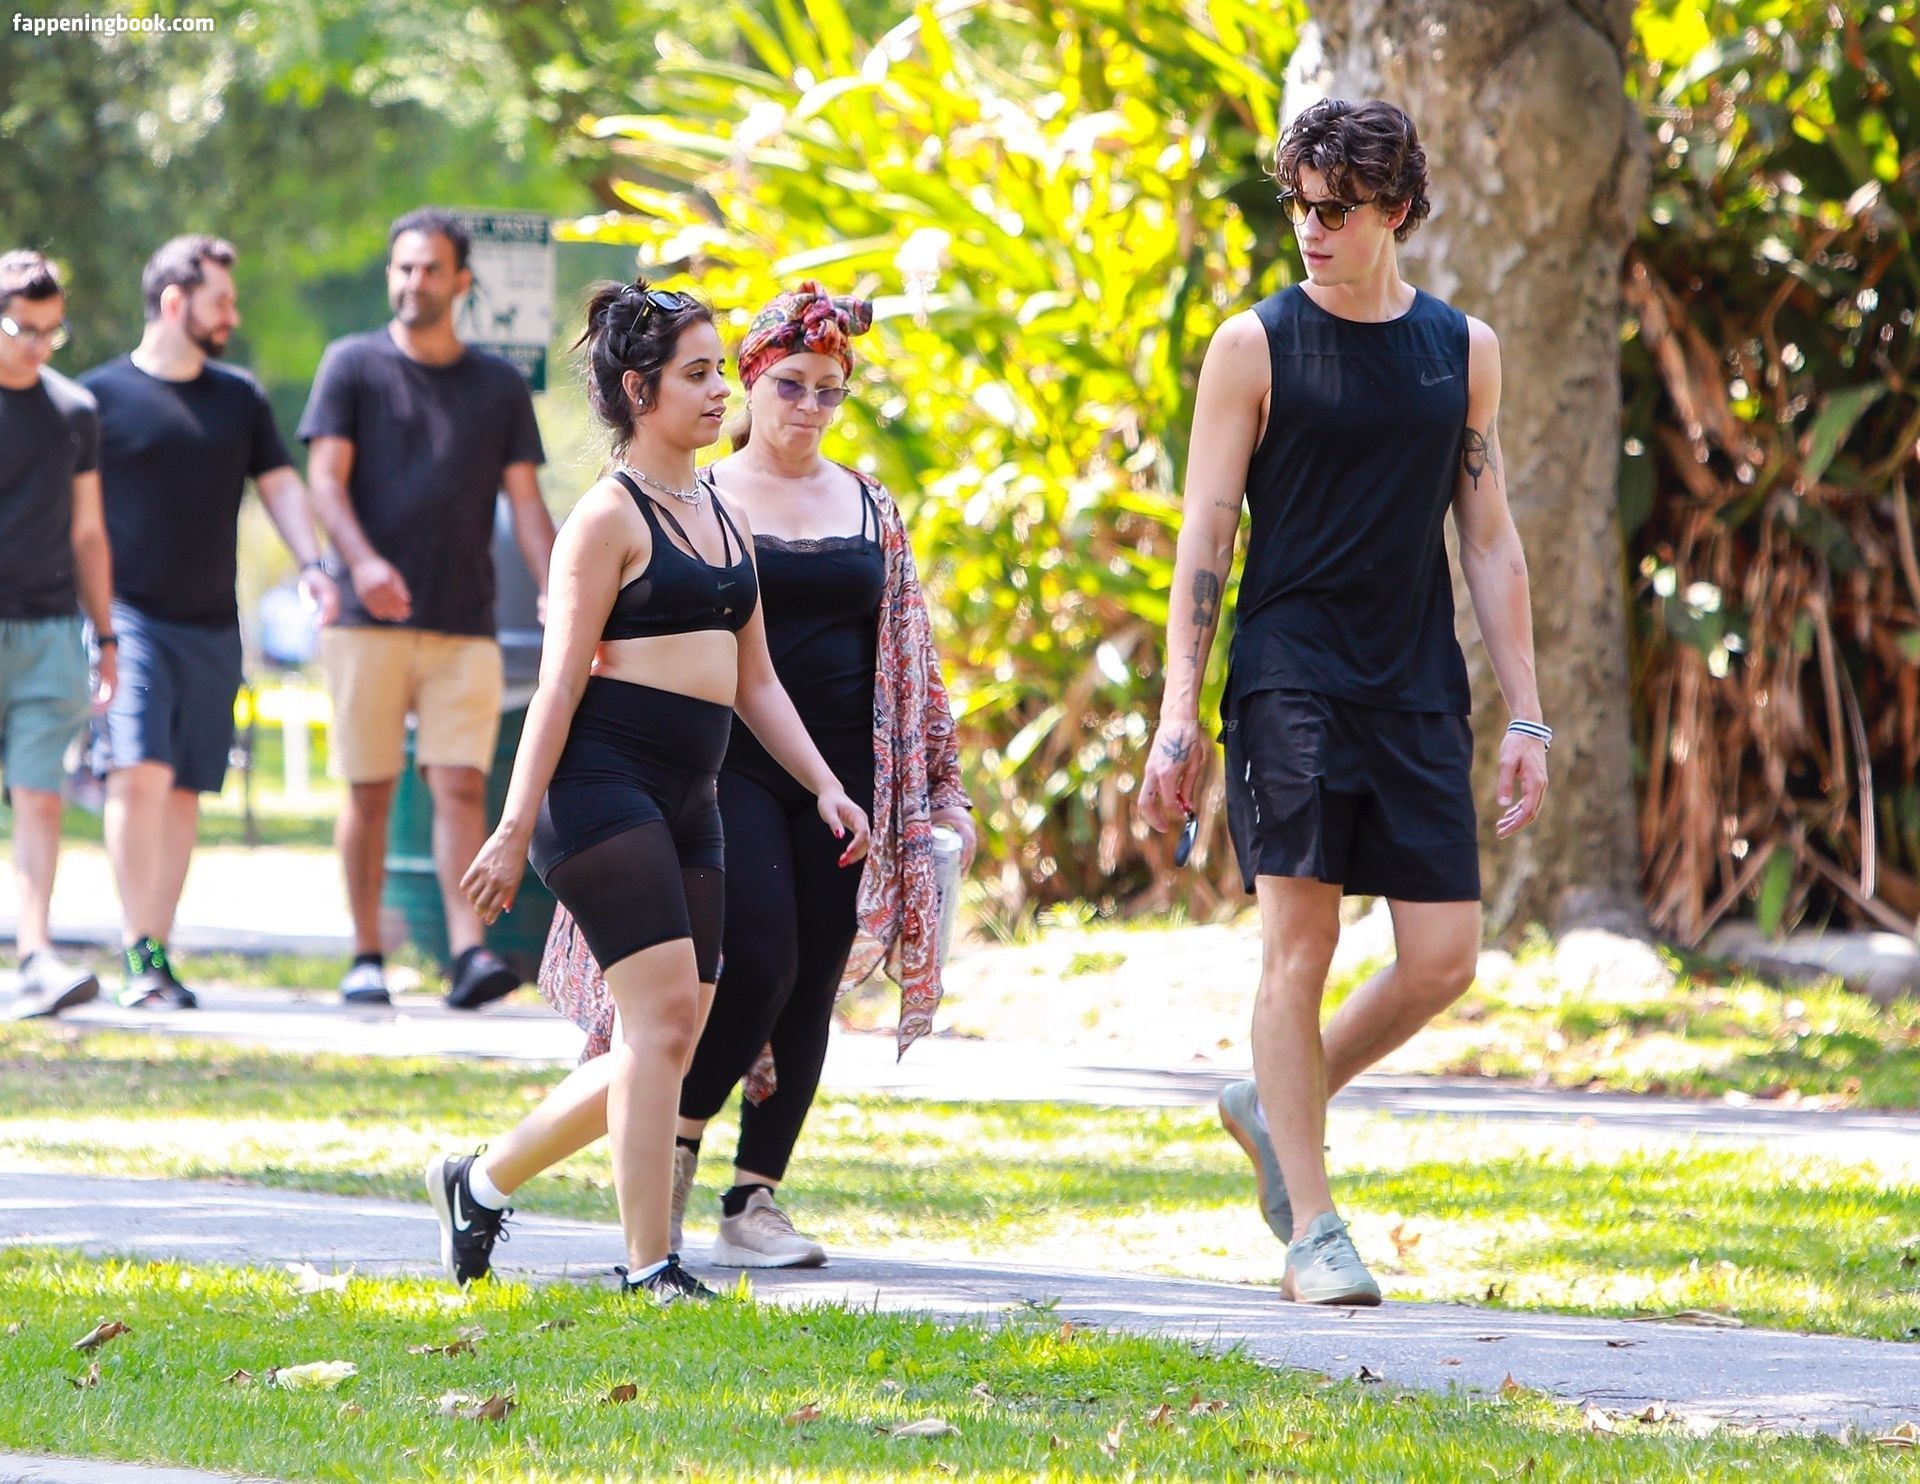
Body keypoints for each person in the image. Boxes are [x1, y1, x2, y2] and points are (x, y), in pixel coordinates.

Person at [1138, 99, 1550, 1305]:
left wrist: (1527, 713)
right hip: (1290, 675)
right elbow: (1207, 534)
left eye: (1337, 210)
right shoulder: (1254, 346)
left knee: (1444, 956)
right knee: (1300, 942)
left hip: (1416, 680)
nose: (1310, 230)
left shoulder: (1461, 350)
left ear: (1398, 210)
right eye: (1298, 207)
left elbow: (1489, 536)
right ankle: (1313, 1228)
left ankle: (1277, 1101)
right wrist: (1178, 711)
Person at [430, 281, 871, 1304]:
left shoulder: (721, 512)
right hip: (601, 788)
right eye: (698, 373)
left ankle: (479, 1181)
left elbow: (756, 680)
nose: (721, 391)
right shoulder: (605, 519)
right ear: (640, 390)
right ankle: (647, 1265)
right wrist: (510, 827)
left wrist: (824, 785)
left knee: (664, 1039)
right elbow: (557, 684)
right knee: (663, 1026)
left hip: (691, 796)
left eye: (720, 371)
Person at [540, 282, 975, 1269]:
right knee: (761, 956)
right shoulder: (699, 495)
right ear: (750, 380)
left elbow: (910, 648)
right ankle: (677, 1143)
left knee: (813, 976)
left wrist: (934, 785)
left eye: (830, 390)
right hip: (724, 762)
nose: (809, 407)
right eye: (790, 385)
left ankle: (756, 1195)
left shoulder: (869, 504)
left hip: (841, 765)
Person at [299, 208, 556, 1009]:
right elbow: (324, 483)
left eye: (431, 269)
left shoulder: (498, 385)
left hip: (464, 621)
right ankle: (365, 955)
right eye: (404, 267)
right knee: (369, 790)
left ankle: (468, 954)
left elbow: (527, 502)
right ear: (392, 275)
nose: (415, 281)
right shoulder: (351, 365)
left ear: (461, 281)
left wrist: (560, 590)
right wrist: (363, 563)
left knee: (460, 787)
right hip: (365, 620)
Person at [80, 236, 339, 1009]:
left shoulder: (239, 398)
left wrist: (312, 563)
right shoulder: (97, 399)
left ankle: (156, 951)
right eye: (219, 301)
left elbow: (281, 487)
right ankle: (138, 948)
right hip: (128, 618)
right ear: (173, 301)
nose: (232, 315)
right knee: (139, 770)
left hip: (212, 625)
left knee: (186, 787)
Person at [0, 251, 115, 1020]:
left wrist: (106, 636)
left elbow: (89, 533)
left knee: (39, 794)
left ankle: (35, 953)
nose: (41, 346)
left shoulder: (74, 410)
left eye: (53, 331)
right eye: (25, 330)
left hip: (49, 631)